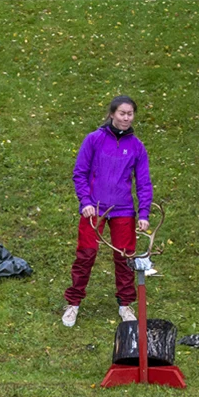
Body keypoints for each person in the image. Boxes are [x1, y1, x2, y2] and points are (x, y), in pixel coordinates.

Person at [61, 95, 151, 327]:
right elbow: (80, 172)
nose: (126, 118)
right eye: (122, 113)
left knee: (125, 257)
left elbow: (143, 182)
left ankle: (125, 304)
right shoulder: (94, 139)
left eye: (130, 114)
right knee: (86, 254)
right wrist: (85, 201)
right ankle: (73, 303)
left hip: (123, 209)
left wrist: (143, 214)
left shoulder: (137, 147)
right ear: (112, 114)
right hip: (94, 209)